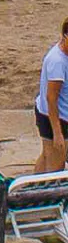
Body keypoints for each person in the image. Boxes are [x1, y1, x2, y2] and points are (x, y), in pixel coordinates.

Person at [33, 19, 68, 173]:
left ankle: (30, 189)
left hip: (48, 112)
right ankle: (46, 195)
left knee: (47, 155)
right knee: (56, 164)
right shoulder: (58, 62)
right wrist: (58, 133)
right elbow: (51, 98)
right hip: (56, 118)